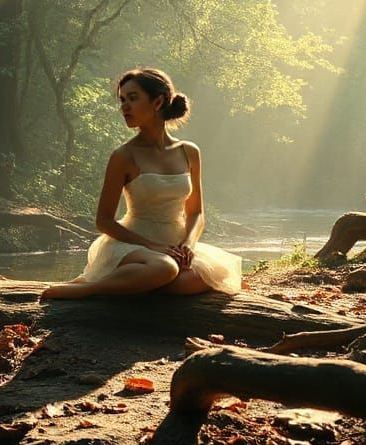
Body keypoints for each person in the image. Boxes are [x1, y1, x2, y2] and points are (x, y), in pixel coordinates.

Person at [40, 68, 242, 300]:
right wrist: (151, 246)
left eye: (133, 99)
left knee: (198, 278)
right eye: (122, 100)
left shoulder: (189, 152)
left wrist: (187, 244)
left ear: (158, 102)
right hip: (132, 243)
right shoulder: (124, 156)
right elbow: (104, 221)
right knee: (165, 269)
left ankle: (133, 284)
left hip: (173, 242)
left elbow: (196, 213)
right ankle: (88, 290)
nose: (124, 107)